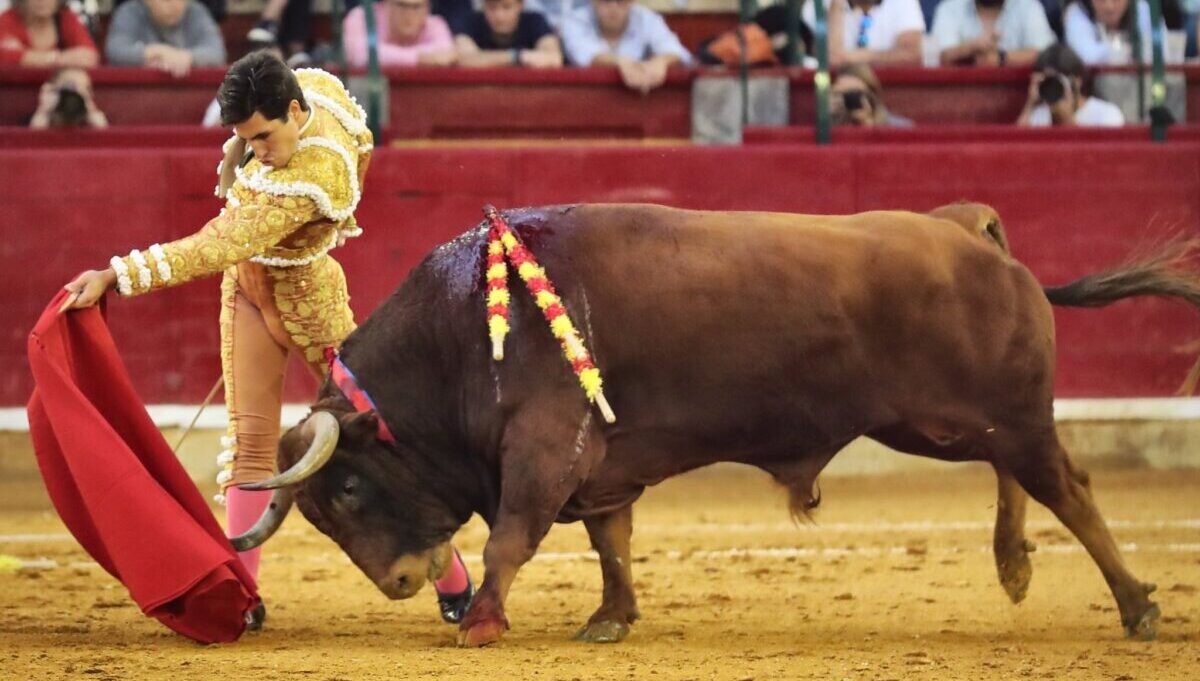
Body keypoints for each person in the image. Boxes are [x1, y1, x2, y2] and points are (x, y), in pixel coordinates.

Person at [59, 52, 475, 629]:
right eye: (246, 137)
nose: (259, 149)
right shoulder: (308, 88)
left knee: (375, 439)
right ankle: (242, 595)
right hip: (250, 290)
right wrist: (239, 150)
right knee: (250, 442)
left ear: (297, 114)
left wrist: (115, 275)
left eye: (264, 136)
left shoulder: (312, 176)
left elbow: (214, 245)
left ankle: (455, 580)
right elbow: (315, 102)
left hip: (310, 299)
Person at [561, 0, 692, 93]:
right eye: (606, 1)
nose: (613, 7)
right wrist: (620, 63)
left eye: (620, 1)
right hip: (586, 101)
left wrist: (661, 62)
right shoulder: (574, 20)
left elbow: (676, 50)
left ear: (632, 2)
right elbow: (582, 53)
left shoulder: (645, 18)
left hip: (639, 102)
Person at [104, 0, 226, 77]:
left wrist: (186, 57)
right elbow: (115, 50)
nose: (174, 4)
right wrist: (157, 51)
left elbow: (217, 52)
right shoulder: (129, 11)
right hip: (140, 98)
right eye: (166, 0)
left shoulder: (196, 11)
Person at [1017, 42, 1124, 125]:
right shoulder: (1039, 115)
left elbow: (1099, 152)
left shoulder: (1107, 114)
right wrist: (1030, 104)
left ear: (1078, 81)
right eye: (1049, 80)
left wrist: (1068, 120)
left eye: (1059, 79)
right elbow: (1017, 147)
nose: (1054, 86)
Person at [930, 0, 1056, 65]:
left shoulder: (1029, 7)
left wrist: (1001, 58)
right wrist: (971, 48)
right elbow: (937, 55)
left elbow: (1045, 54)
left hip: (1018, 100)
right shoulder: (949, 8)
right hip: (958, 97)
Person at [803, 0, 925, 67]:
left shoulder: (904, 2)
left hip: (886, 88)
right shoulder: (816, 4)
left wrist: (859, 56)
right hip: (836, 87)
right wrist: (836, 5)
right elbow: (830, 57)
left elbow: (911, 55)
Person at [343, 0, 456, 68]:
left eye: (416, 7)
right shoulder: (361, 17)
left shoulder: (435, 24)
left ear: (427, 8)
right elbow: (361, 54)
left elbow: (445, 53)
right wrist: (418, 58)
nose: (409, 14)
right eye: (402, 5)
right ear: (386, 4)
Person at [455, 0, 562, 67]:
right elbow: (464, 59)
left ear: (521, 5)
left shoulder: (535, 21)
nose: (499, 16)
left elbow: (553, 58)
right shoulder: (470, 22)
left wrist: (487, 59)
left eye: (506, 7)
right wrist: (516, 57)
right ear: (483, 5)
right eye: (492, 7)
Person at [1064, 0, 1172, 64]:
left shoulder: (1142, 8)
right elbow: (1087, 57)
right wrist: (1128, 49)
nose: (1109, 7)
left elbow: (1161, 52)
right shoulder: (1077, 13)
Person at [0, 0, 98, 67]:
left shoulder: (66, 18)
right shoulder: (8, 19)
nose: (42, 1)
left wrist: (28, 57)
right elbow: (5, 56)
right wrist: (64, 58)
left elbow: (90, 56)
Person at [831, 62, 914, 126]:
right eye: (840, 94)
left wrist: (867, 123)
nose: (848, 99)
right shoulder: (826, 128)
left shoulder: (899, 126)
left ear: (871, 95)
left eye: (854, 94)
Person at [29, 66, 108, 128]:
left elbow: (105, 139)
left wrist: (92, 111)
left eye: (84, 88)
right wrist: (43, 110)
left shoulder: (89, 120)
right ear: (52, 90)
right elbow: (32, 140)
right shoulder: (42, 118)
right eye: (69, 86)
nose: (75, 93)